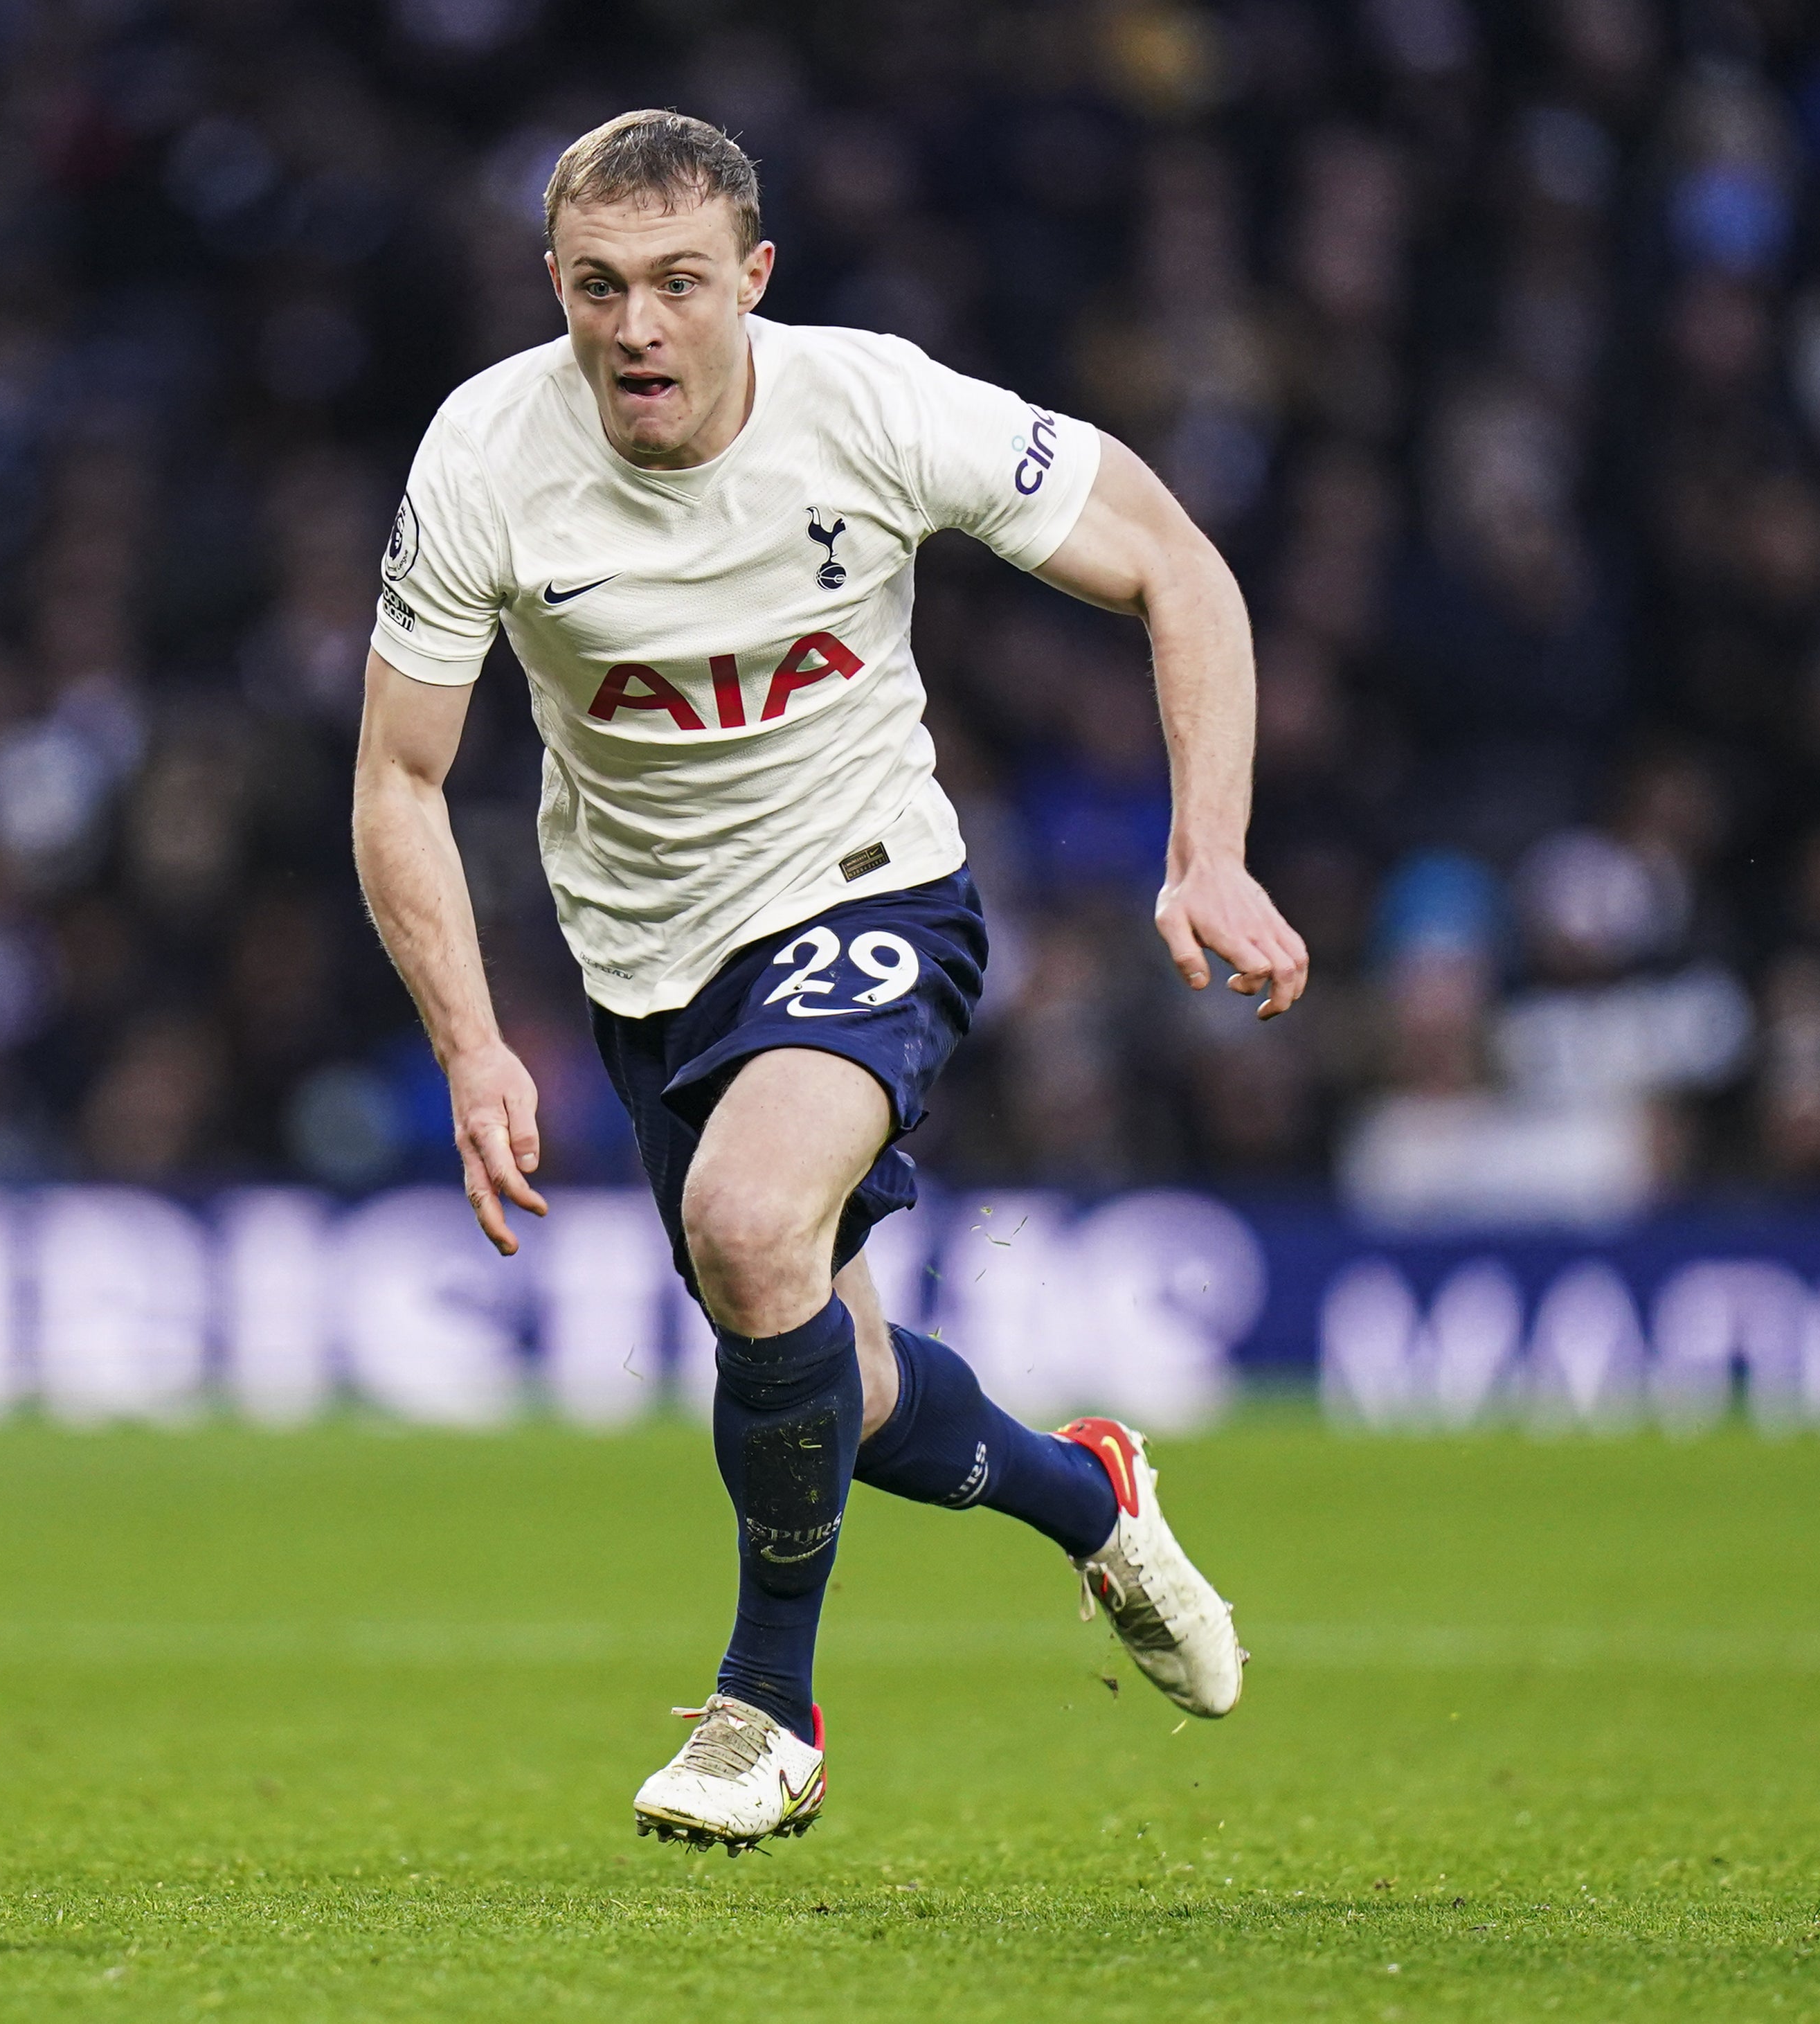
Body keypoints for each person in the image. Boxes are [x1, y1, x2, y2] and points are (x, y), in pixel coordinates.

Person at [349, 111, 1309, 1852]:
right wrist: (473, 1042)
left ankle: (763, 1710)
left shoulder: (871, 405)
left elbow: (1178, 564)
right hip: (644, 963)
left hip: (868, 890)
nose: (635, 328)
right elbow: (399, 780)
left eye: (677, 286)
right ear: (553, 286)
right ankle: (1081, 1494)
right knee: (831, 1382)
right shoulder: (484, 454)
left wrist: (1211, 850)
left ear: (753, 281)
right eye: (596, 288)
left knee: (745, 1218)